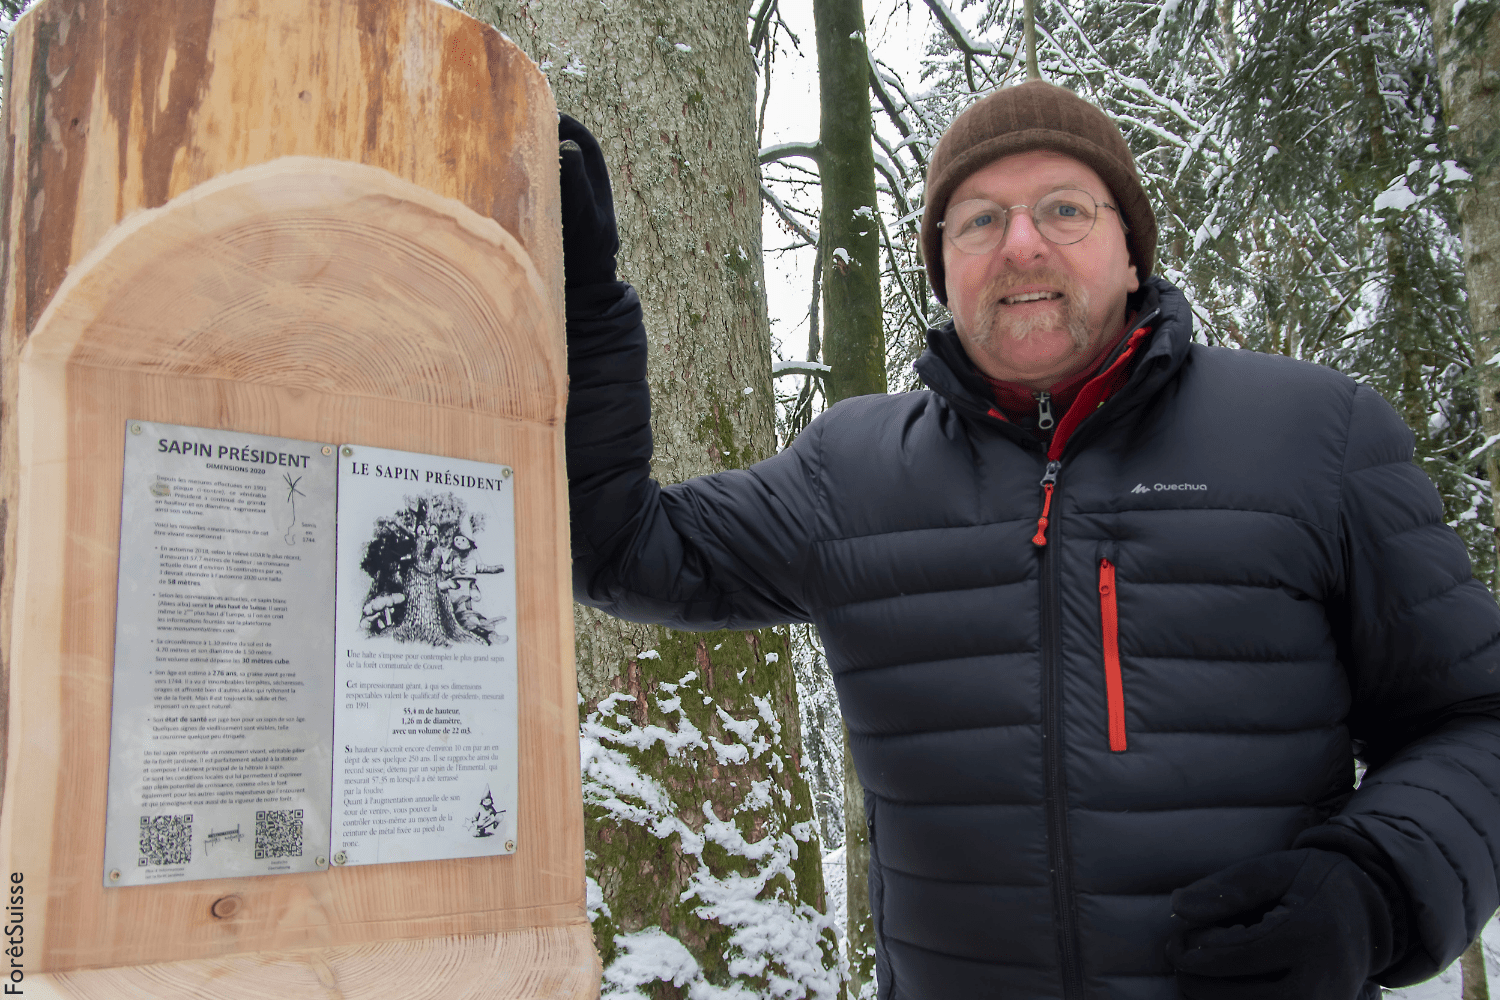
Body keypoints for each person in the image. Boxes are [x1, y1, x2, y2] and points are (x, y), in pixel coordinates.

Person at [557, 80, 1500, 999]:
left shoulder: (1315, 437)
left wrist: (1376, 889)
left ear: (1132, 252)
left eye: (1064, 209)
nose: (1019, 245)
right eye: (977, 221)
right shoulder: (851, 471)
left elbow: (1473, 718)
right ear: (943, 271)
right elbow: (620, 547)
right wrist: (583, 312)